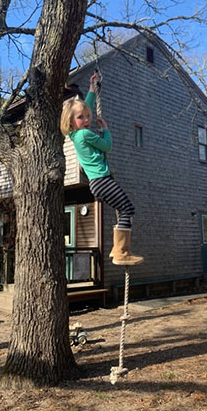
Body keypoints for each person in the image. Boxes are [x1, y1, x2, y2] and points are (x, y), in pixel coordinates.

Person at [61, 73, 144, 266]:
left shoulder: (75, 135)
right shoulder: (85, 135)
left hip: (98, 183)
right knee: (127, 208)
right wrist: (105, 129)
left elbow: (85, 107)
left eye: (88, 116)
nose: (87, 119)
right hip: (102, 181)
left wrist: (91, 89)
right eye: (81, 117)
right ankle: (120, 252)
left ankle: (119, 251)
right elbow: (107, 146)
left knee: (125, 209)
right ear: (72, 122)